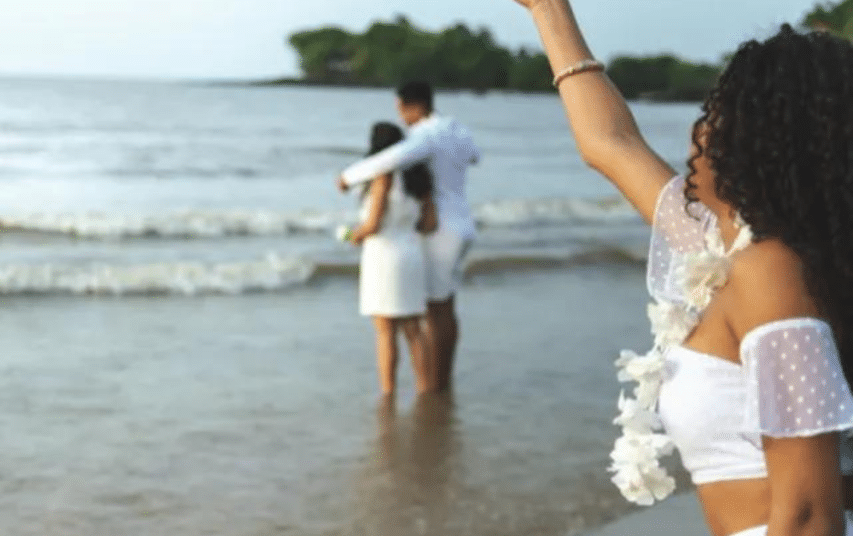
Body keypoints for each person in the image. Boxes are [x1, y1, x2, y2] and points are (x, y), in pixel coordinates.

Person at [506, 2, 853, 536]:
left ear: (760, 135)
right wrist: (548, 9)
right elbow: (610, 144)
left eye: (717, 110)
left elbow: (810, 516)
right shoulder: (726, 251)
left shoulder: (772, 272)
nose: (700, 129)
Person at [337, 81, 480, 391]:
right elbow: (474, 157)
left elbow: (388, 159)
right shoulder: (457, 130)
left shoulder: (426, 135)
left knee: (434, 310)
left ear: (414, 105)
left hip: (442, 229)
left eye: (401, 109)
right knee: (445, 308)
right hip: (464, 222)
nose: (402, 117)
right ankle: (442, 378)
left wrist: (347, 177)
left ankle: (435, 384)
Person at [347, 122, 438, 395]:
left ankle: (388, 392)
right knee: (413, 328)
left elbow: (373, 224)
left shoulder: (382, 176)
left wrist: (355, 235)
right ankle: (426, 388)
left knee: (385, 331)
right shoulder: (420, 179)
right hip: (411, 252)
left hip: (384, 256)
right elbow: (429, 225)